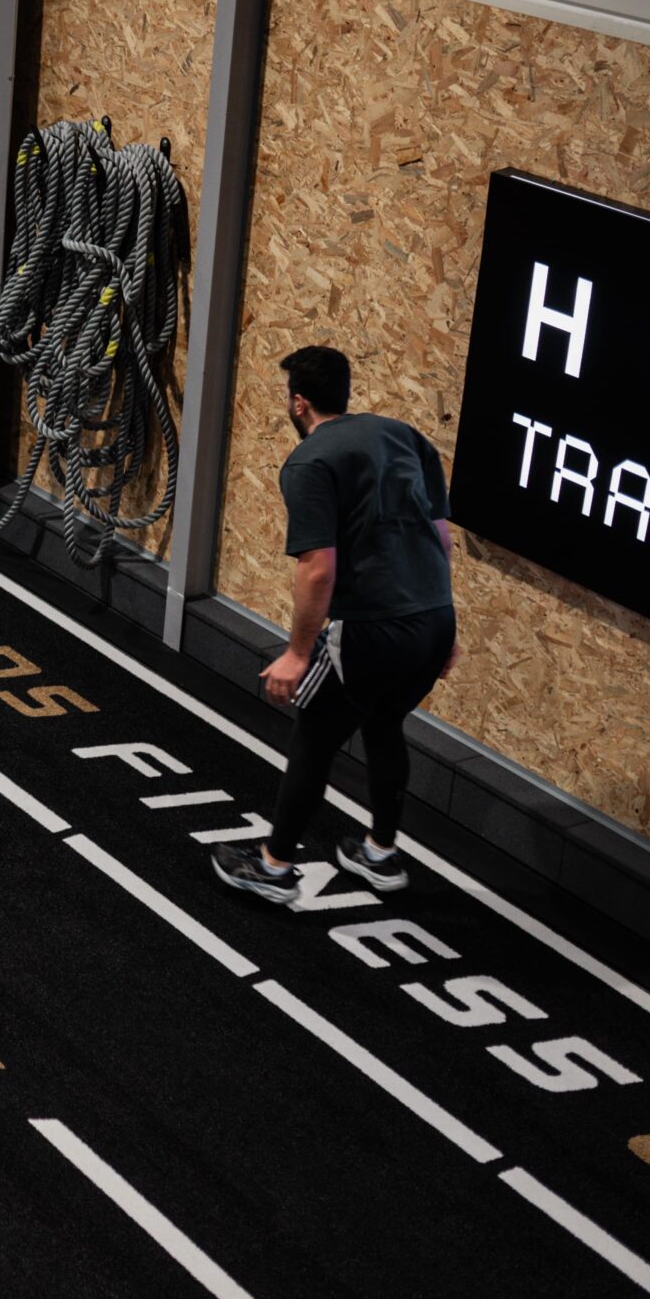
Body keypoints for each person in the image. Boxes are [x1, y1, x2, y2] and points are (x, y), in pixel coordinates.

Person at [213, 346, 460, 904]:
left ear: (298, 402)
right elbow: (440, 538)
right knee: (385, 724)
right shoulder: (404, 435)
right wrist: (444, 629)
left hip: (373, 629)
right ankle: (379, 854)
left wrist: (298, 653)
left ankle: (274, 867)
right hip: (433, 619)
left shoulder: (310, 462)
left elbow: (319, 568)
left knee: (315, 737)